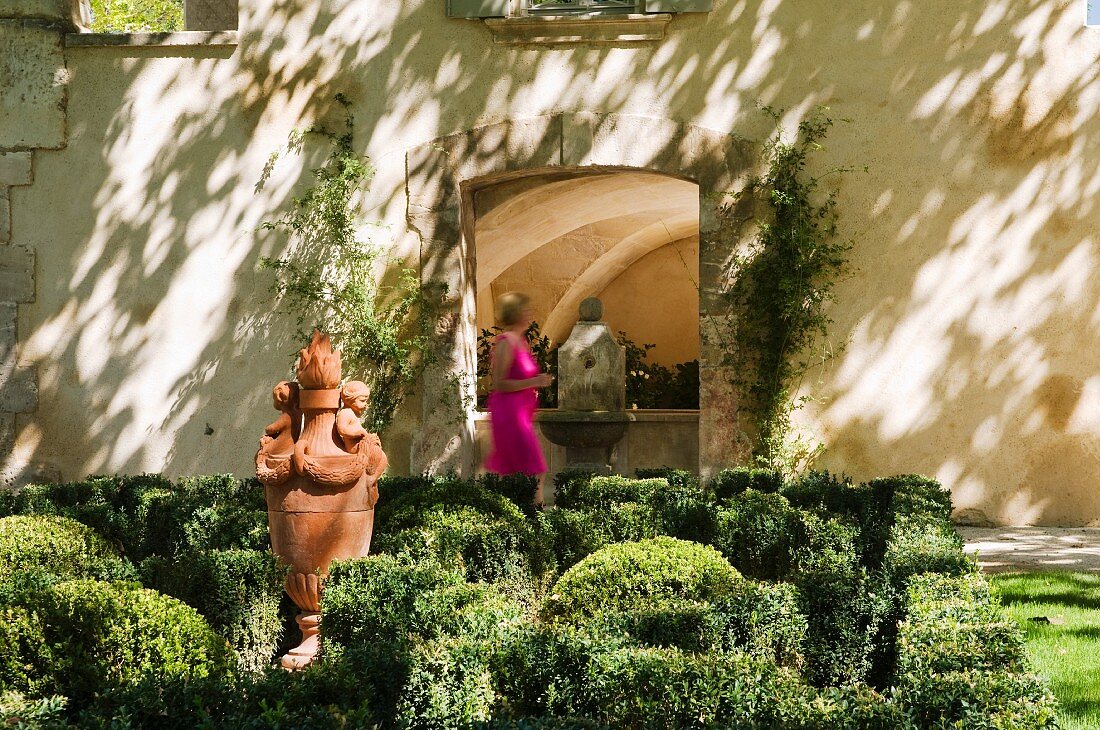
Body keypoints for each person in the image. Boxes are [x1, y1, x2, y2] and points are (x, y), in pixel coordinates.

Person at [484, 292, 553, 506]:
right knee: (534, 467)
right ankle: (533, 515)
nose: (529, 313)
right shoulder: (506, 342)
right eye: (525, 309)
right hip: (509, 414)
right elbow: (500, 383)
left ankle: (518, 513)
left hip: (521, 414)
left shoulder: (521, 341)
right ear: (515, 313)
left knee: (526, 468)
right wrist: (535, 382)